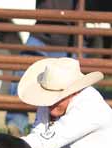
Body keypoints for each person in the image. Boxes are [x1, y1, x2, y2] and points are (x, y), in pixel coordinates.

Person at [5, 0, 77, 137]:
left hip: (70, 38)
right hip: (43, 33)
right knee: (22, 72)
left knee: (67, 88)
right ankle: (15, 124)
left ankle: (58, 132)